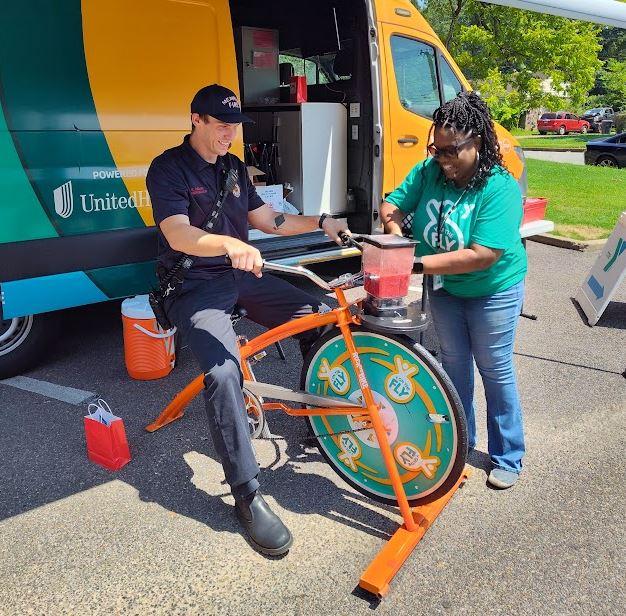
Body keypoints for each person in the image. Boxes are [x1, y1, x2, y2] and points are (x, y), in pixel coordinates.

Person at [146, 84, 350, 555]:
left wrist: (321, 221)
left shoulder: (234, 168)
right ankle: (247, 494)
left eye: (235, 126)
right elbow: (177, 234)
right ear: (195, 119)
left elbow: (267, 220)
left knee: (317, 314)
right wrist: (228, 244)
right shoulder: (168, 168)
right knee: (222, 373)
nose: (229, 134)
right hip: (196, 284)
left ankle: (319, 418)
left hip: (242, 277)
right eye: (221, 124)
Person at [380, 92, 527, 490]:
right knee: (453, 368)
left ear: (477, 141)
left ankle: (508, 456)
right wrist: (395, 236)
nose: (441, 158)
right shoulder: (430, 171)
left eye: (450, 151)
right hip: (444, 288)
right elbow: (392, 204)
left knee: (494, 370)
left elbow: (483, 255)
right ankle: (460, 446)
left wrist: (413, 264)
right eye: (436, 148)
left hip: (492, 290)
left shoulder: (500, 188)